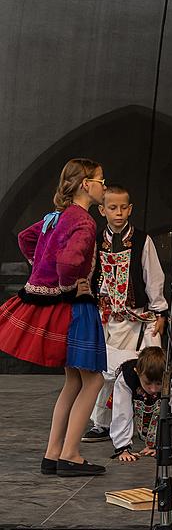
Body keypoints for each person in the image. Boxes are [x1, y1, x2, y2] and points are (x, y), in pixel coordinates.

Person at [0, 158, 108, 476]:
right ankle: (71, 454)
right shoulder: (84, 222)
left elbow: (25, 238)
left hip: (63, 309)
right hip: (77, 308)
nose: (104, 185)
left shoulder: (55, 218)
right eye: (101, 179)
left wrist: (41, 266)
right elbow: (69, 261)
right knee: (94, 379)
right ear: (86, 184)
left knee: (73, 380)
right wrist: (66, 285)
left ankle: (52, 454)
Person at [83, 184, 168, 443]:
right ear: (102, 210)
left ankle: (151, 423)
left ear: (130, 209)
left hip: (138, 317)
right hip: (106, 317)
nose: (118, 213)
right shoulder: (95, 241)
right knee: (104, 371)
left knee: (148, 368)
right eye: (112, 208)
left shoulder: (143, 240)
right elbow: (89, 275)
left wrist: (159, 311)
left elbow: (153, 277)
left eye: (122, 207)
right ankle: (102, 422)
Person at [110, 346, 172, 461]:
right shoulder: (126, 377)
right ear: (137, 373)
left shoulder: (170, 380)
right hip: (109, 367)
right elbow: (121, 413)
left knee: (162, 408)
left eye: (158, 383)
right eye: (148, 383)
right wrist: (123, 447)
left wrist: (163, 445)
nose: (153, 389)